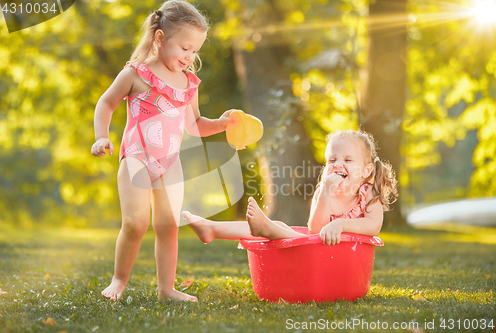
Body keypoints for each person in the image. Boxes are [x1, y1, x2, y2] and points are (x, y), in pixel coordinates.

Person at [91, 0, 235, 302]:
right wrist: (101, 137)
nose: (190, 56)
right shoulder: (136, 74)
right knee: (135, 222)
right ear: (160, 39)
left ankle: (166, 289)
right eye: (185, 48)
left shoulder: (188, 84)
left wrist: (221, 125)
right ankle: (119, 280)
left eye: (195, 50)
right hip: (136, 157)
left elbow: (194, 124)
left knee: (168, 225)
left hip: (170, 160)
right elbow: (106, 103)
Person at [182, 129, 398, 246]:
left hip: (344, 258)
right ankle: (213, 229)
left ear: (367, 170)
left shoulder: (369, 194)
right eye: (332, 160)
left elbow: (373, 226)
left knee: (281, 231)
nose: (338, 164)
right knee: (283, 229)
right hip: (318, 253)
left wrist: (340, 225)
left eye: (348, 160)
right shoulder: (324, 192)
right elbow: (315, 230)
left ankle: (263, 229)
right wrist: (324, 195)